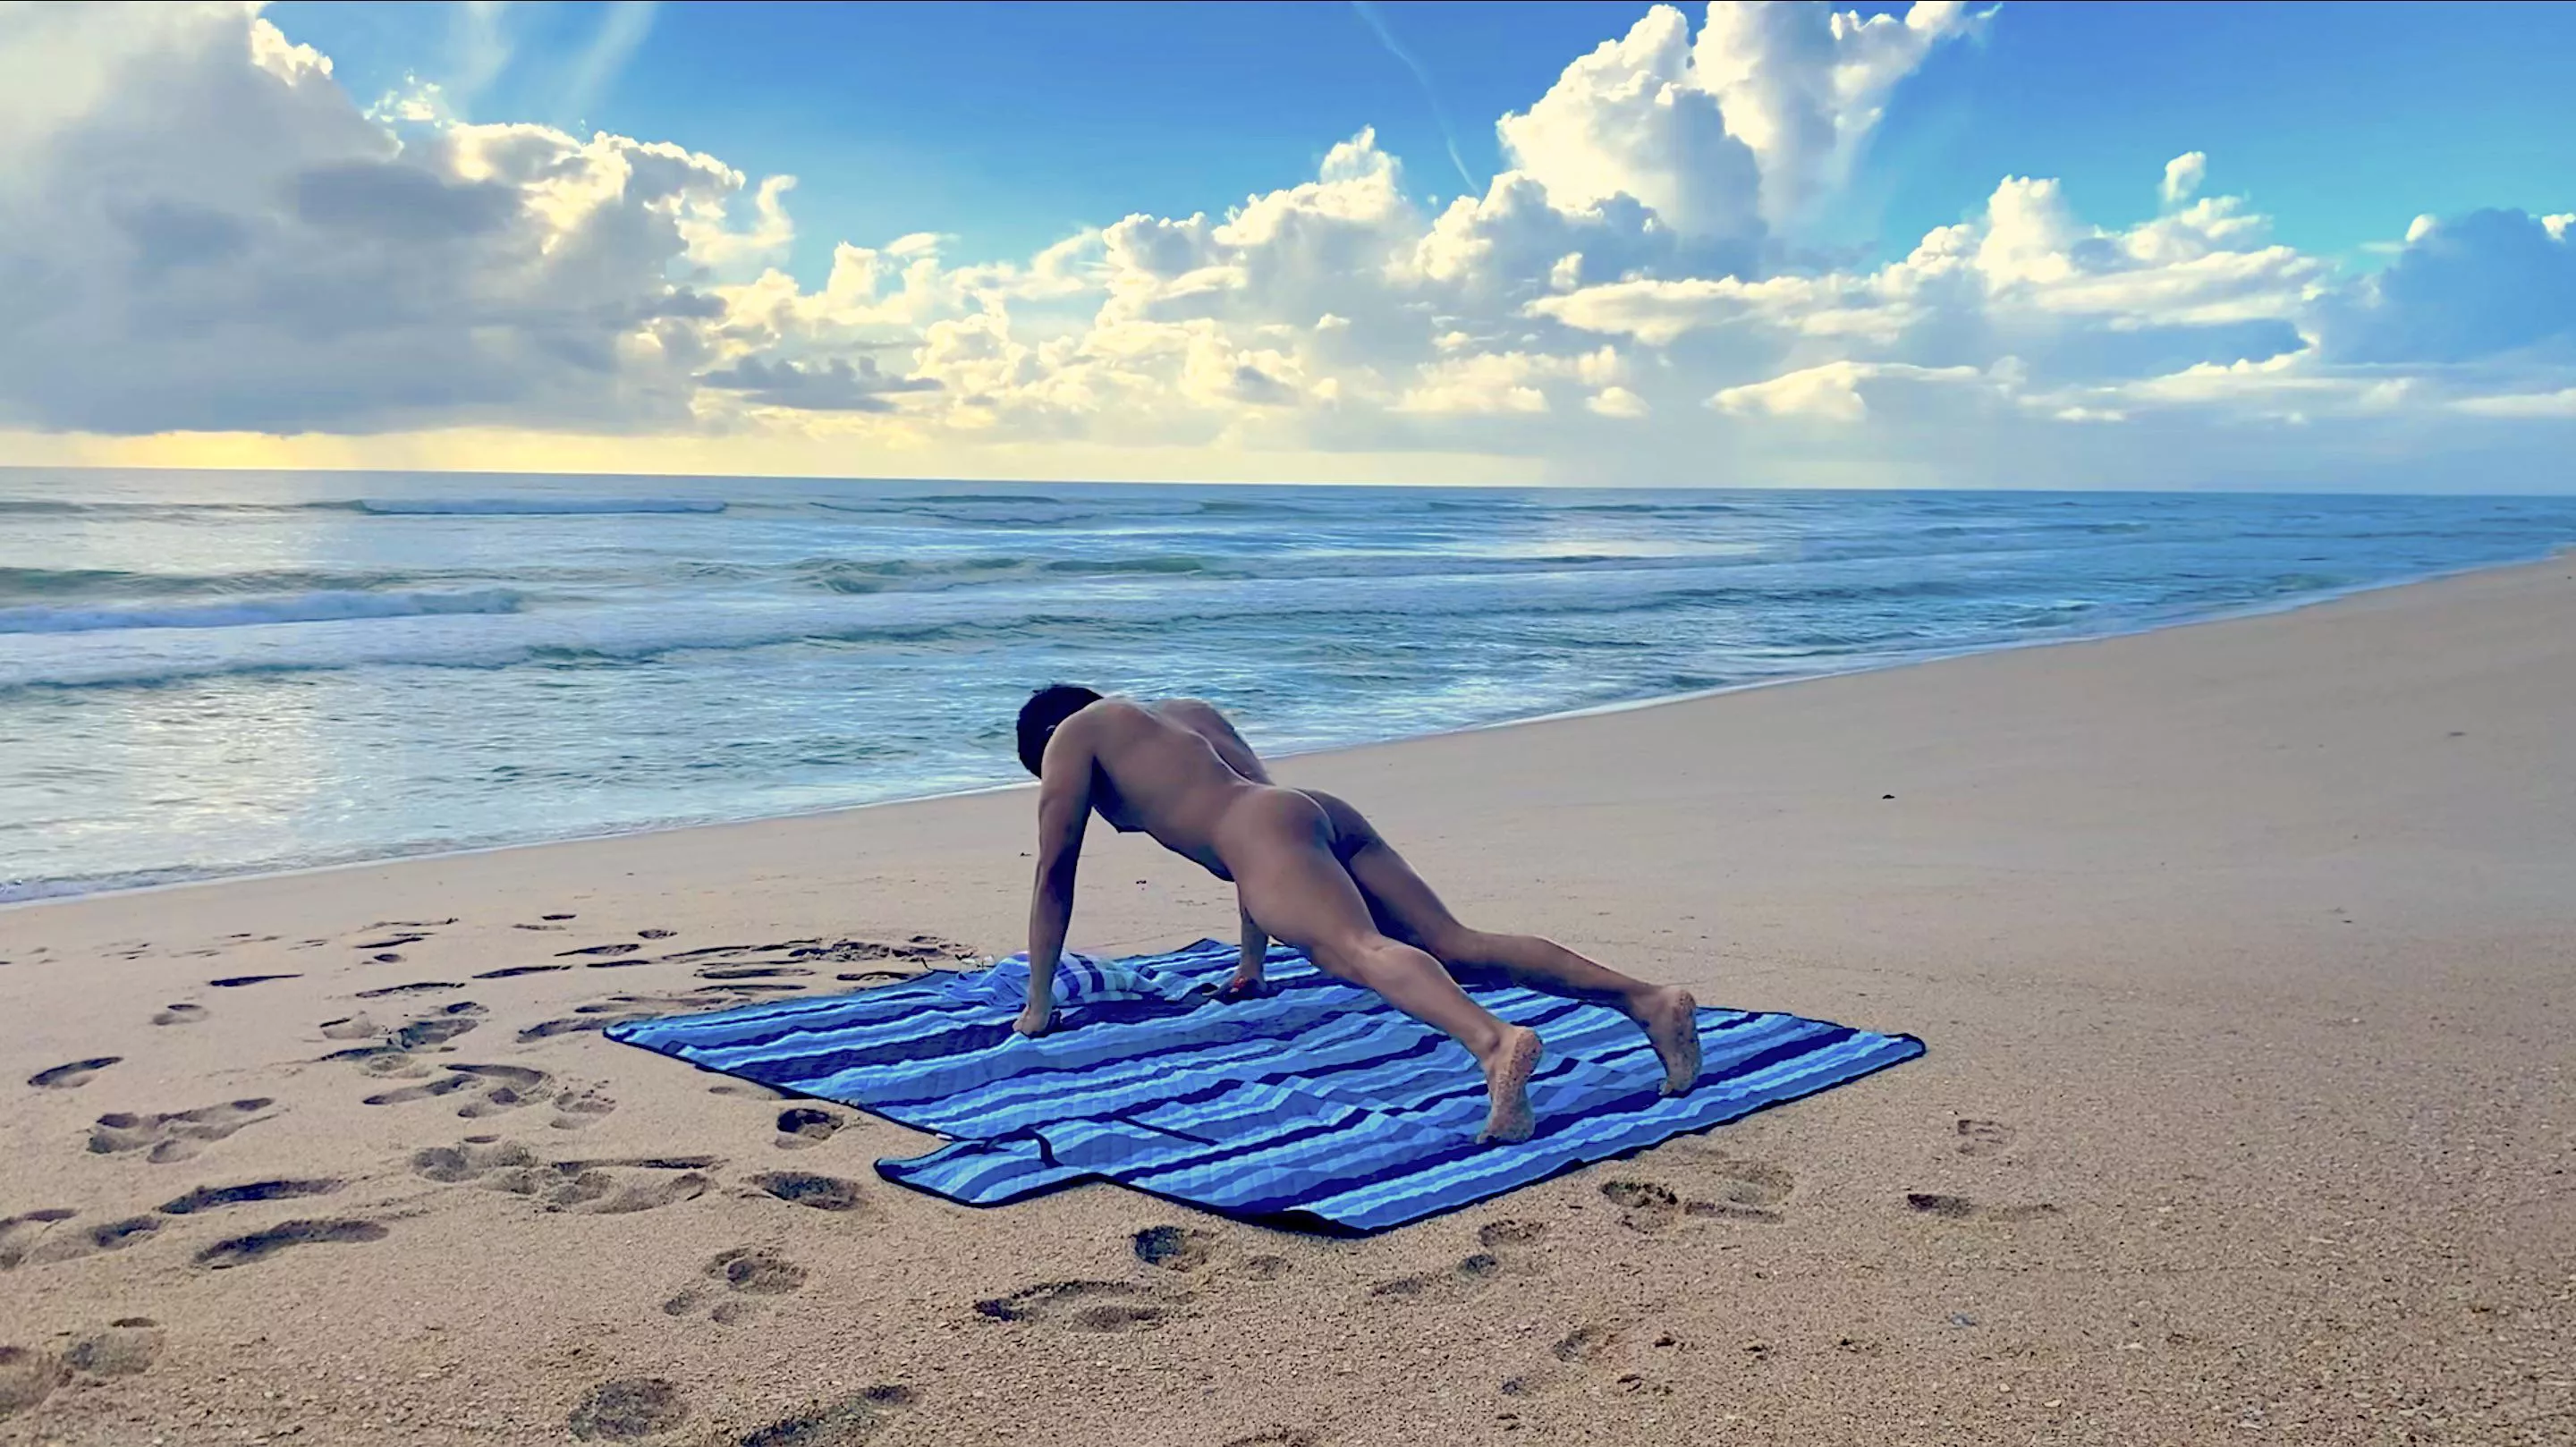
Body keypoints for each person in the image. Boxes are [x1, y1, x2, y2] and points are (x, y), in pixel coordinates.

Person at [1010, 684, 1702, 1144]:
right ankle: (1648, 1001)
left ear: (1044, 743)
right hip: (1313, 811)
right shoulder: (1185, 712)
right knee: (1452, 943)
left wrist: (1038, 1002)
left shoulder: (1072, 737)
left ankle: (1493, 1043)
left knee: (1355, 950)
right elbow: (1257, 813)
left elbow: (1053, 873)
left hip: (1261, 836)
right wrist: (1252, 961)